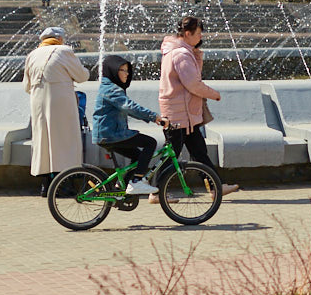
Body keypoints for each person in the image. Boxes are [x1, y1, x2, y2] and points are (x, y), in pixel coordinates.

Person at [159, 16, 240, 196]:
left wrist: (196, 55)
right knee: (172, 155)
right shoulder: (180, 54)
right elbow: (194, 84)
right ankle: (156, 192)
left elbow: (192, 77)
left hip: (183, 114)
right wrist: (214, 94)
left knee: (199, 152)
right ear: (188, 34)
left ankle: (215, 187)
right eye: (198, 33)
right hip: (179, 115)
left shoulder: (180, 51)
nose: (201, 36)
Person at [23, 27, 89, 196]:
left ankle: (46, 186)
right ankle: (63, 185)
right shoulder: (64, 51)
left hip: (37, 102)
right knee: (64, 141)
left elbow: (26, 86)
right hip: (60, 101)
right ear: (59, 38)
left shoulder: (32, 54)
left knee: (43, 142)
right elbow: (82, 76)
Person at [92, 55, 167, 198]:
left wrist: (149, 117)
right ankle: (137, 181)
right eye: (123, 70)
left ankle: (120, 188)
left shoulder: (110, 87)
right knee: (150, 143)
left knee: (138, 157)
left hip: (109, 133)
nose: (127, 74)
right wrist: (154, 117)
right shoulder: (111, 89)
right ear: (113, 70)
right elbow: (129, 107)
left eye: (128, 70)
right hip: (111, 134)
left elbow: (127, 109)